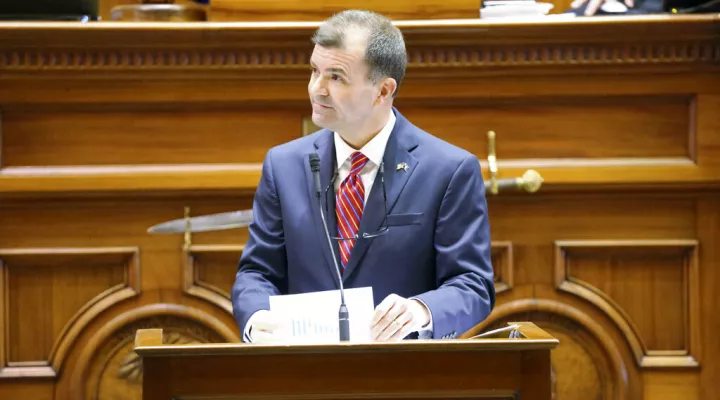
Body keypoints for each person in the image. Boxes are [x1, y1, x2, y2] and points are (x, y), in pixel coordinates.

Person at [231, 9, 495, 343]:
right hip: (303, 373)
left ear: (383, 90)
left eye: (336, 77)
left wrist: (420, 310)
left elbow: (472, 285)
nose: (317, 89)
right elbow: (256, 272)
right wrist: (257, 317)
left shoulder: (448, 169)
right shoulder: (283, 165)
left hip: (405, 374)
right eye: (315, 71)